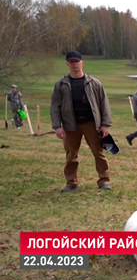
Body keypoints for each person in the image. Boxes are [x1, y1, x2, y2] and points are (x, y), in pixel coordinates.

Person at [50, 51, 113, 192]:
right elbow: (55, 107)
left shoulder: (94, 83)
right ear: (67, 64)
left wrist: (105, 124)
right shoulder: (60, 85)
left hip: (91, 124)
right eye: (71, 62)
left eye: (76, 61)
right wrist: (57, 126)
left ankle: (104, 181)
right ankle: (71, 182)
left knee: (99, 153)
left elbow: (104, 104)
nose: (74, 64)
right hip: (70, 125)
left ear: (82, 63)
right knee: (71, 155)